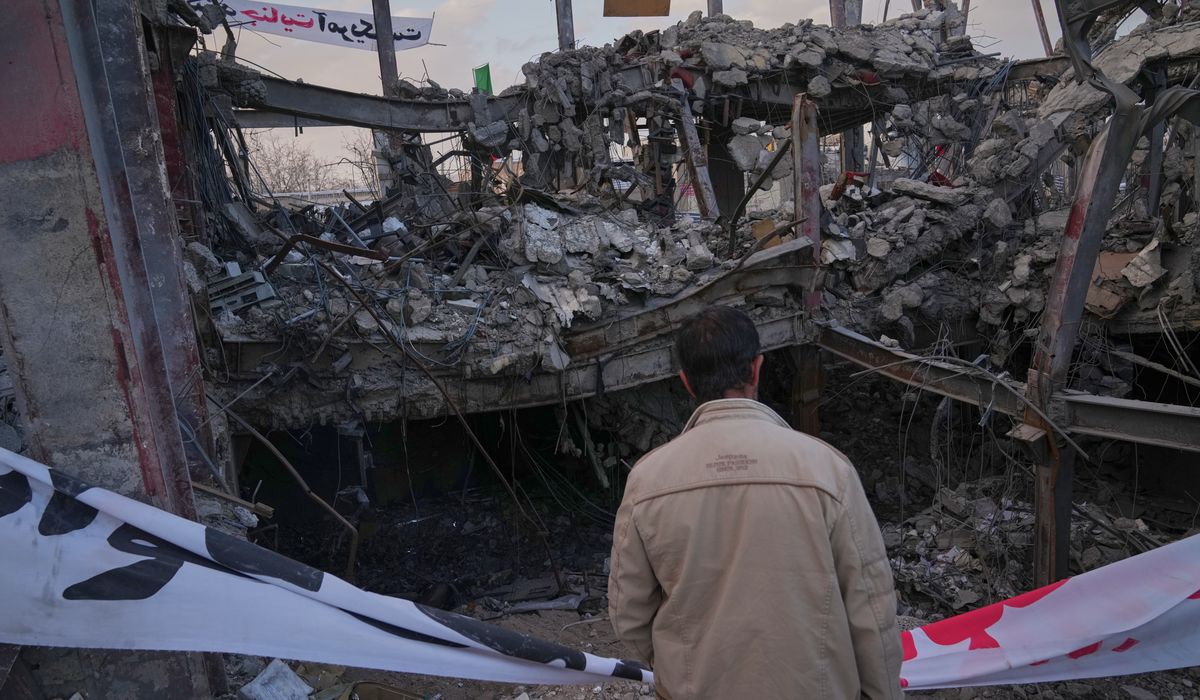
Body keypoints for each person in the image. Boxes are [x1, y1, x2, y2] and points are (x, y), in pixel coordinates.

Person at [608, 306, 902, 699]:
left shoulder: (648, 481)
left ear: (686, 382)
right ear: (757, 369)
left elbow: (628, 616)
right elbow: (872, 608)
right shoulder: (828, 470)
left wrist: (680, 669)